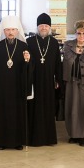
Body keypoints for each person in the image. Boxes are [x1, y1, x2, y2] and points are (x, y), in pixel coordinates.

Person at [0, 16, 32, 150]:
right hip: (2, 88)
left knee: (17, 115)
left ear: (17, 31)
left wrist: (28, 61)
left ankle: (17, 142)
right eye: (8, 30)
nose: (10, 32)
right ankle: (1, 141)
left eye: (13, 29)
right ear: (4, 31)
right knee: (2, 115)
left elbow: (29, 68)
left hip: (18, 87)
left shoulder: (23, 46)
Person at [26, 13, 62, 146]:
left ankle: (48, 138)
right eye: (41, 25)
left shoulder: (54, 43)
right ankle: (33, 138)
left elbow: (58, 63)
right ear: (37, 27)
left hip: (48, 81)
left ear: (50, 27)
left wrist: (58, 79)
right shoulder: (29, 42)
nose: (44, 28)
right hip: (34, 81)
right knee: (33, 109)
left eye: (46, 25)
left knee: (48, 109)